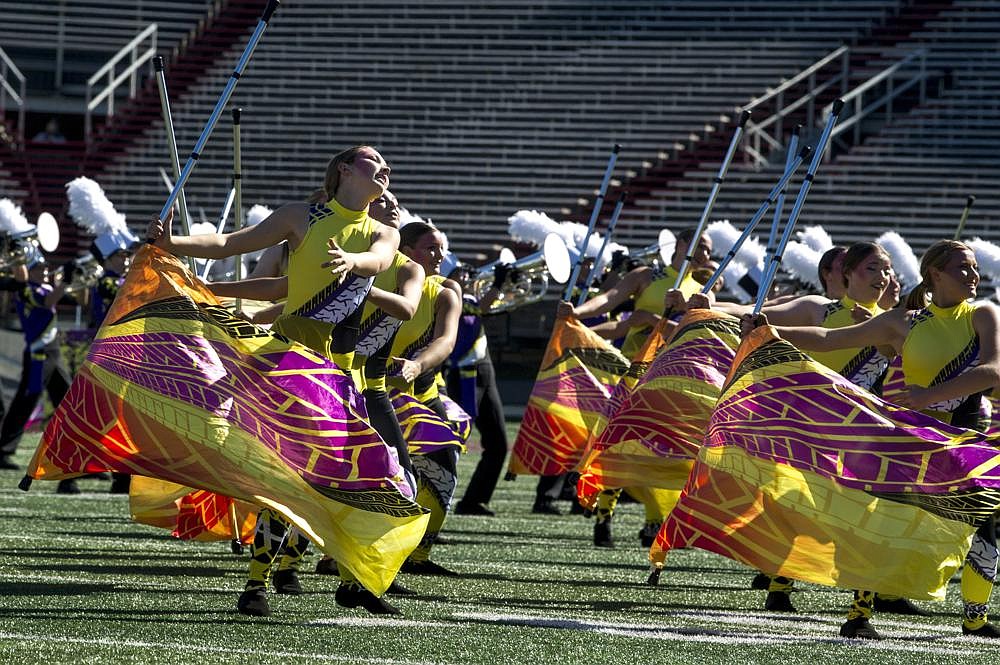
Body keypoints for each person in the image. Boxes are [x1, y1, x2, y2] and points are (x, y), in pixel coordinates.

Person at [147, 144, 404, 618]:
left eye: (387, 165)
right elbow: (229, 243)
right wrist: (172, 246)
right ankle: (257, 584)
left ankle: (352, 579)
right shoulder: (299, 216)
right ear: (344, 168)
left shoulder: (384, 231)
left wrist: (352, 262)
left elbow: (380, 260)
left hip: (342, 374)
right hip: (292, 364)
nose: (385, 169)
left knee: (364, 475)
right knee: (288, 476)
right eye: (374, 161)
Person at [753, 239, 1000, 640]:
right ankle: (859, 614)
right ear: (936, 274)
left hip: (967, 441)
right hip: (913, 440)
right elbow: (829, 338)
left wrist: (925, 396)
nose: (974, 276)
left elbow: (992, 371)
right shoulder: (903, 321)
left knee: (981, 526)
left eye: (974, 268)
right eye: (963, 268)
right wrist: (768, 330)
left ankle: (974, 618)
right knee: (886, 521)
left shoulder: (983, 314)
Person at [386, 221, 464, 576]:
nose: (440, 255)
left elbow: (445, 342)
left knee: (443, 471)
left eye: (441, 247)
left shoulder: (446, 290)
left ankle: (415, 556)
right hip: (374, 391)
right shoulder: (385, 280)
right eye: (430, 247)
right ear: (406, 250)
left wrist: (416, 366)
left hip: (421, 391)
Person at [0, 257, 78, 494]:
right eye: (40, 268)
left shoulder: (44, 286)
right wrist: (64, 282)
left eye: (46, 268)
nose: (45, 271)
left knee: (69, 403)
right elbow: (47, 302)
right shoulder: (26, 291)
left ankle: (72, 458)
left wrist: (66, 281)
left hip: (53, 353)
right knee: (27, 401)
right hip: (38, 353)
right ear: (30, 272)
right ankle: (4, 449)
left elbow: (72, 299)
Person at [449, 261, 512, 517]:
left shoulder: (469, 296)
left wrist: (497, 286)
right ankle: (434, 505)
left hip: (485, 372)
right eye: (459, 270)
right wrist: (496, 284)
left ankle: (474, 500)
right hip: (460, 375)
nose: (466, 273)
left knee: (498, 443)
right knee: (450, 445)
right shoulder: (445, 294)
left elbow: (482, 307)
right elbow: (475, 313)